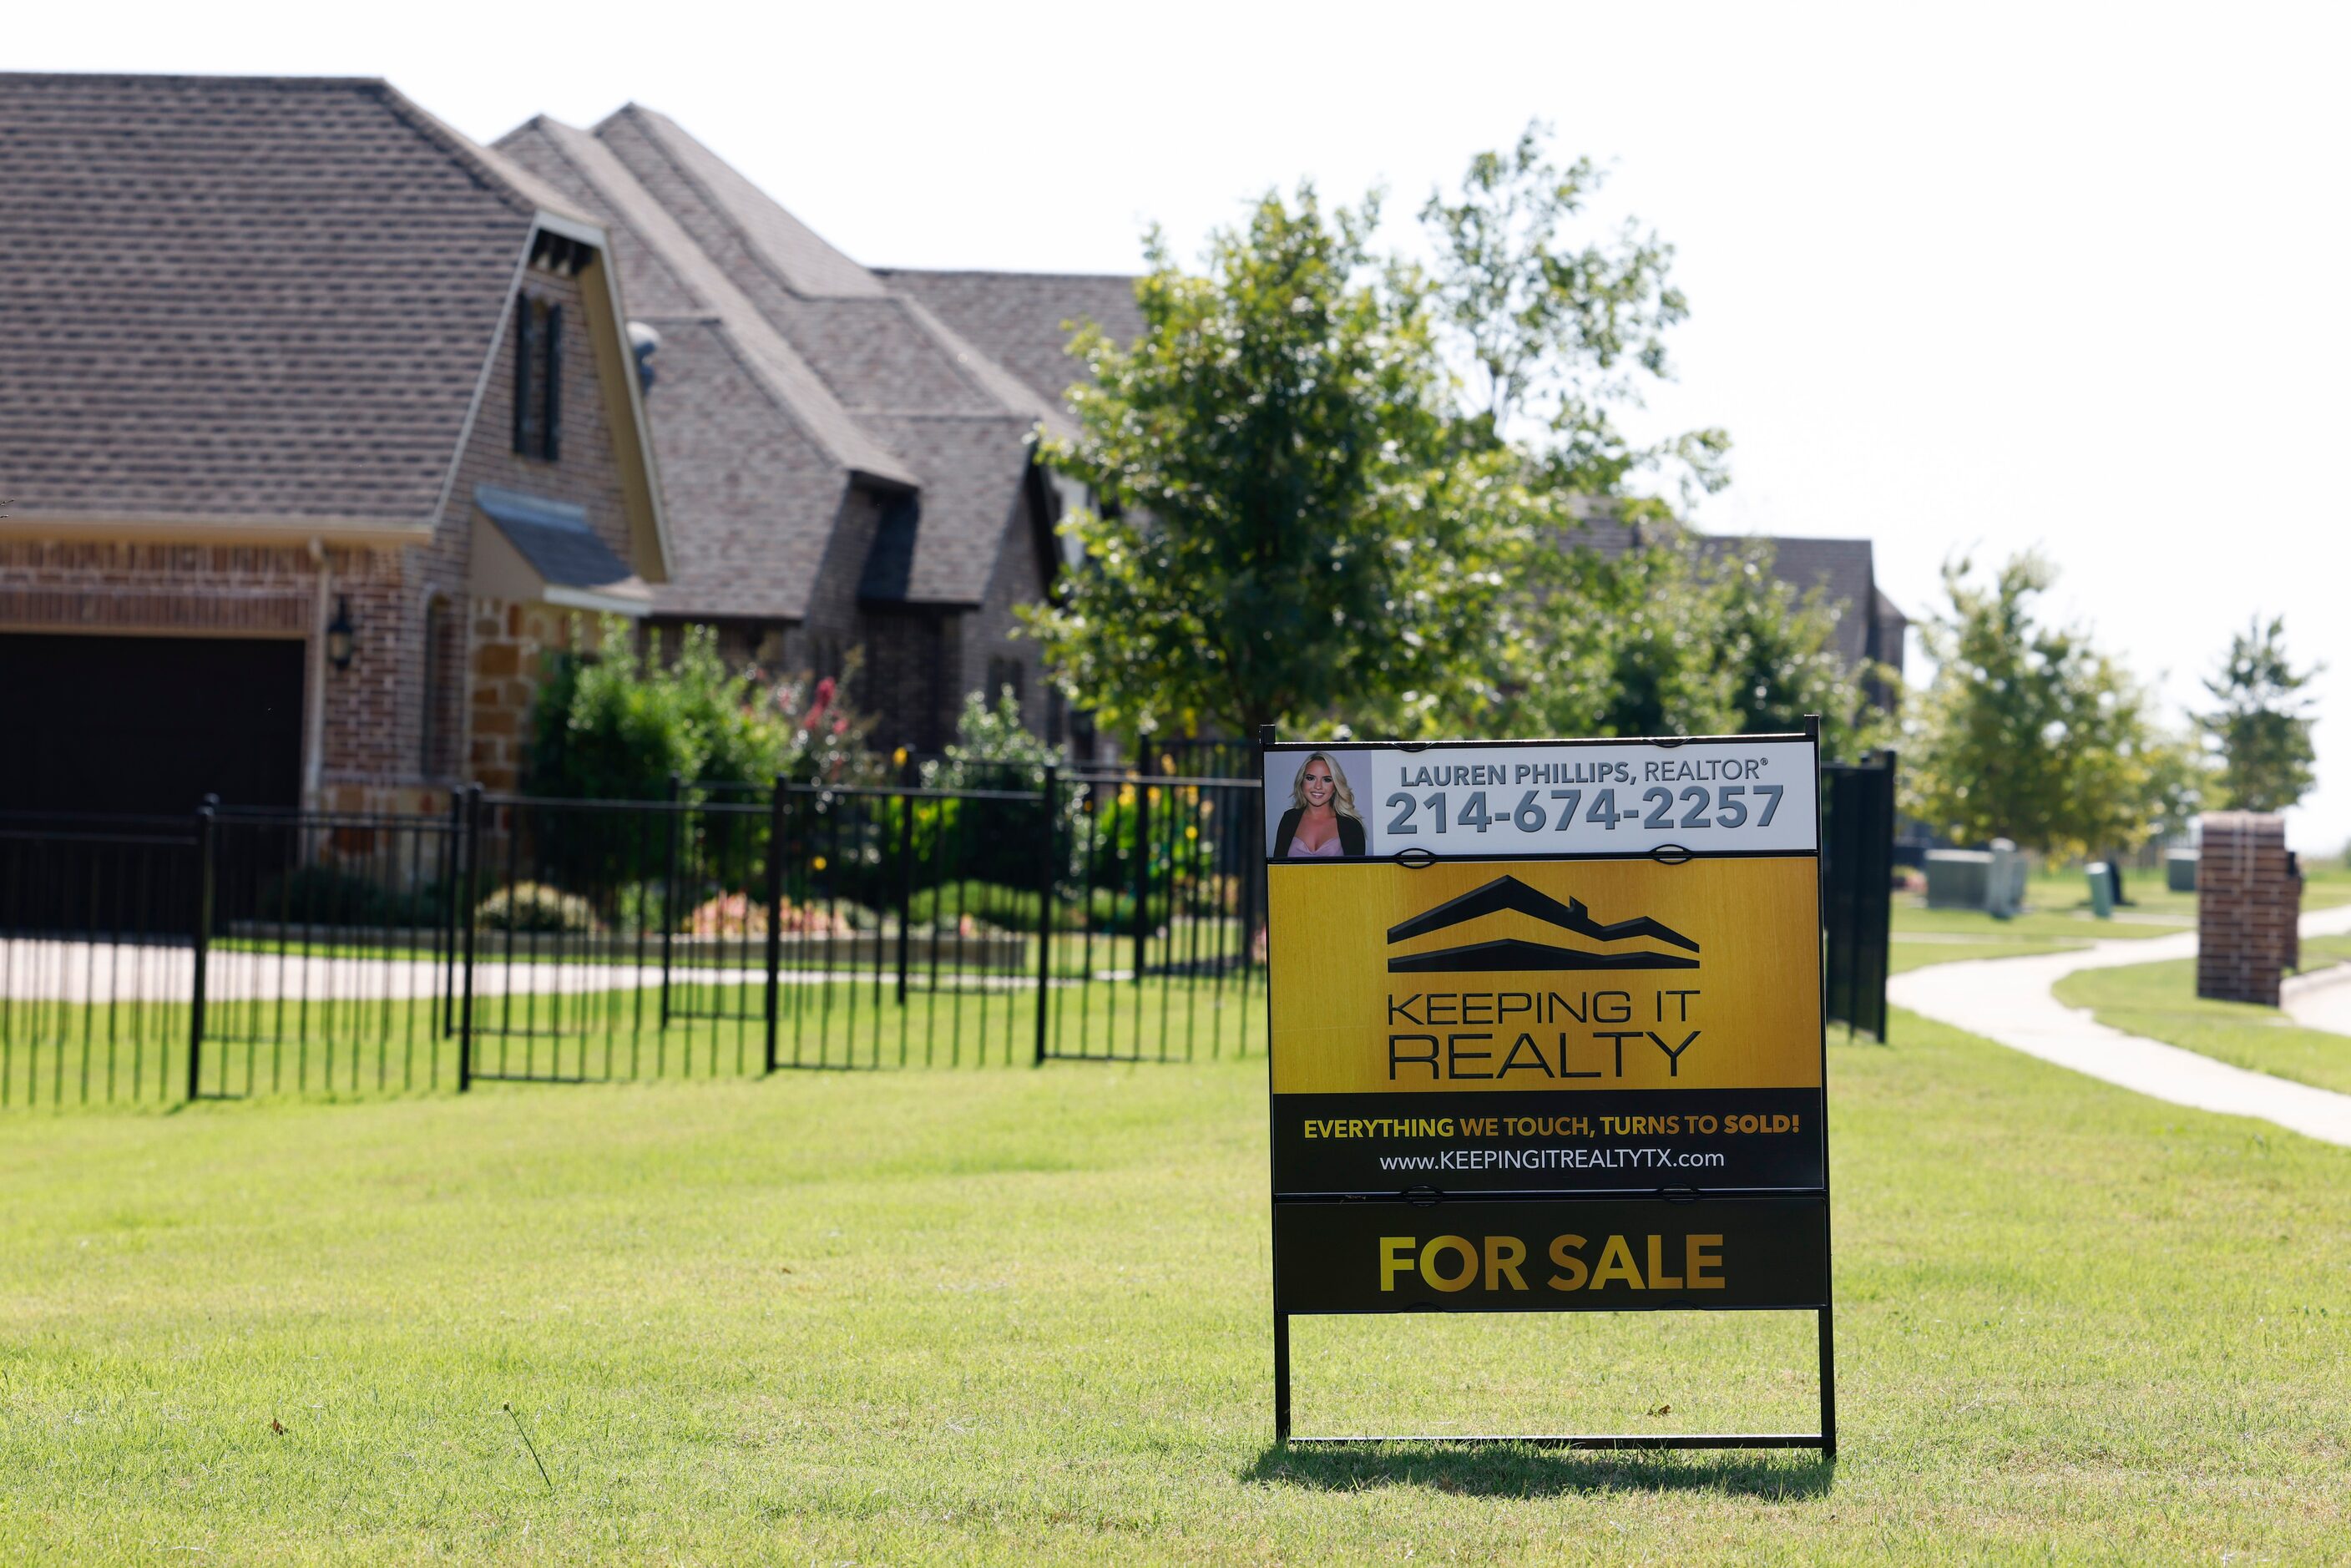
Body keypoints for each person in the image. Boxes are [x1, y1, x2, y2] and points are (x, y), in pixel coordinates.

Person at [1272, 751, 1366, 858]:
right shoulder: (1289, 819)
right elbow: (1276, 871)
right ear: (1301, 782)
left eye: (1327, 780)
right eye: (1311, 778)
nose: (1318, 786)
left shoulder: (1352, 826)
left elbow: (1357, 873)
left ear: (1335, 786)